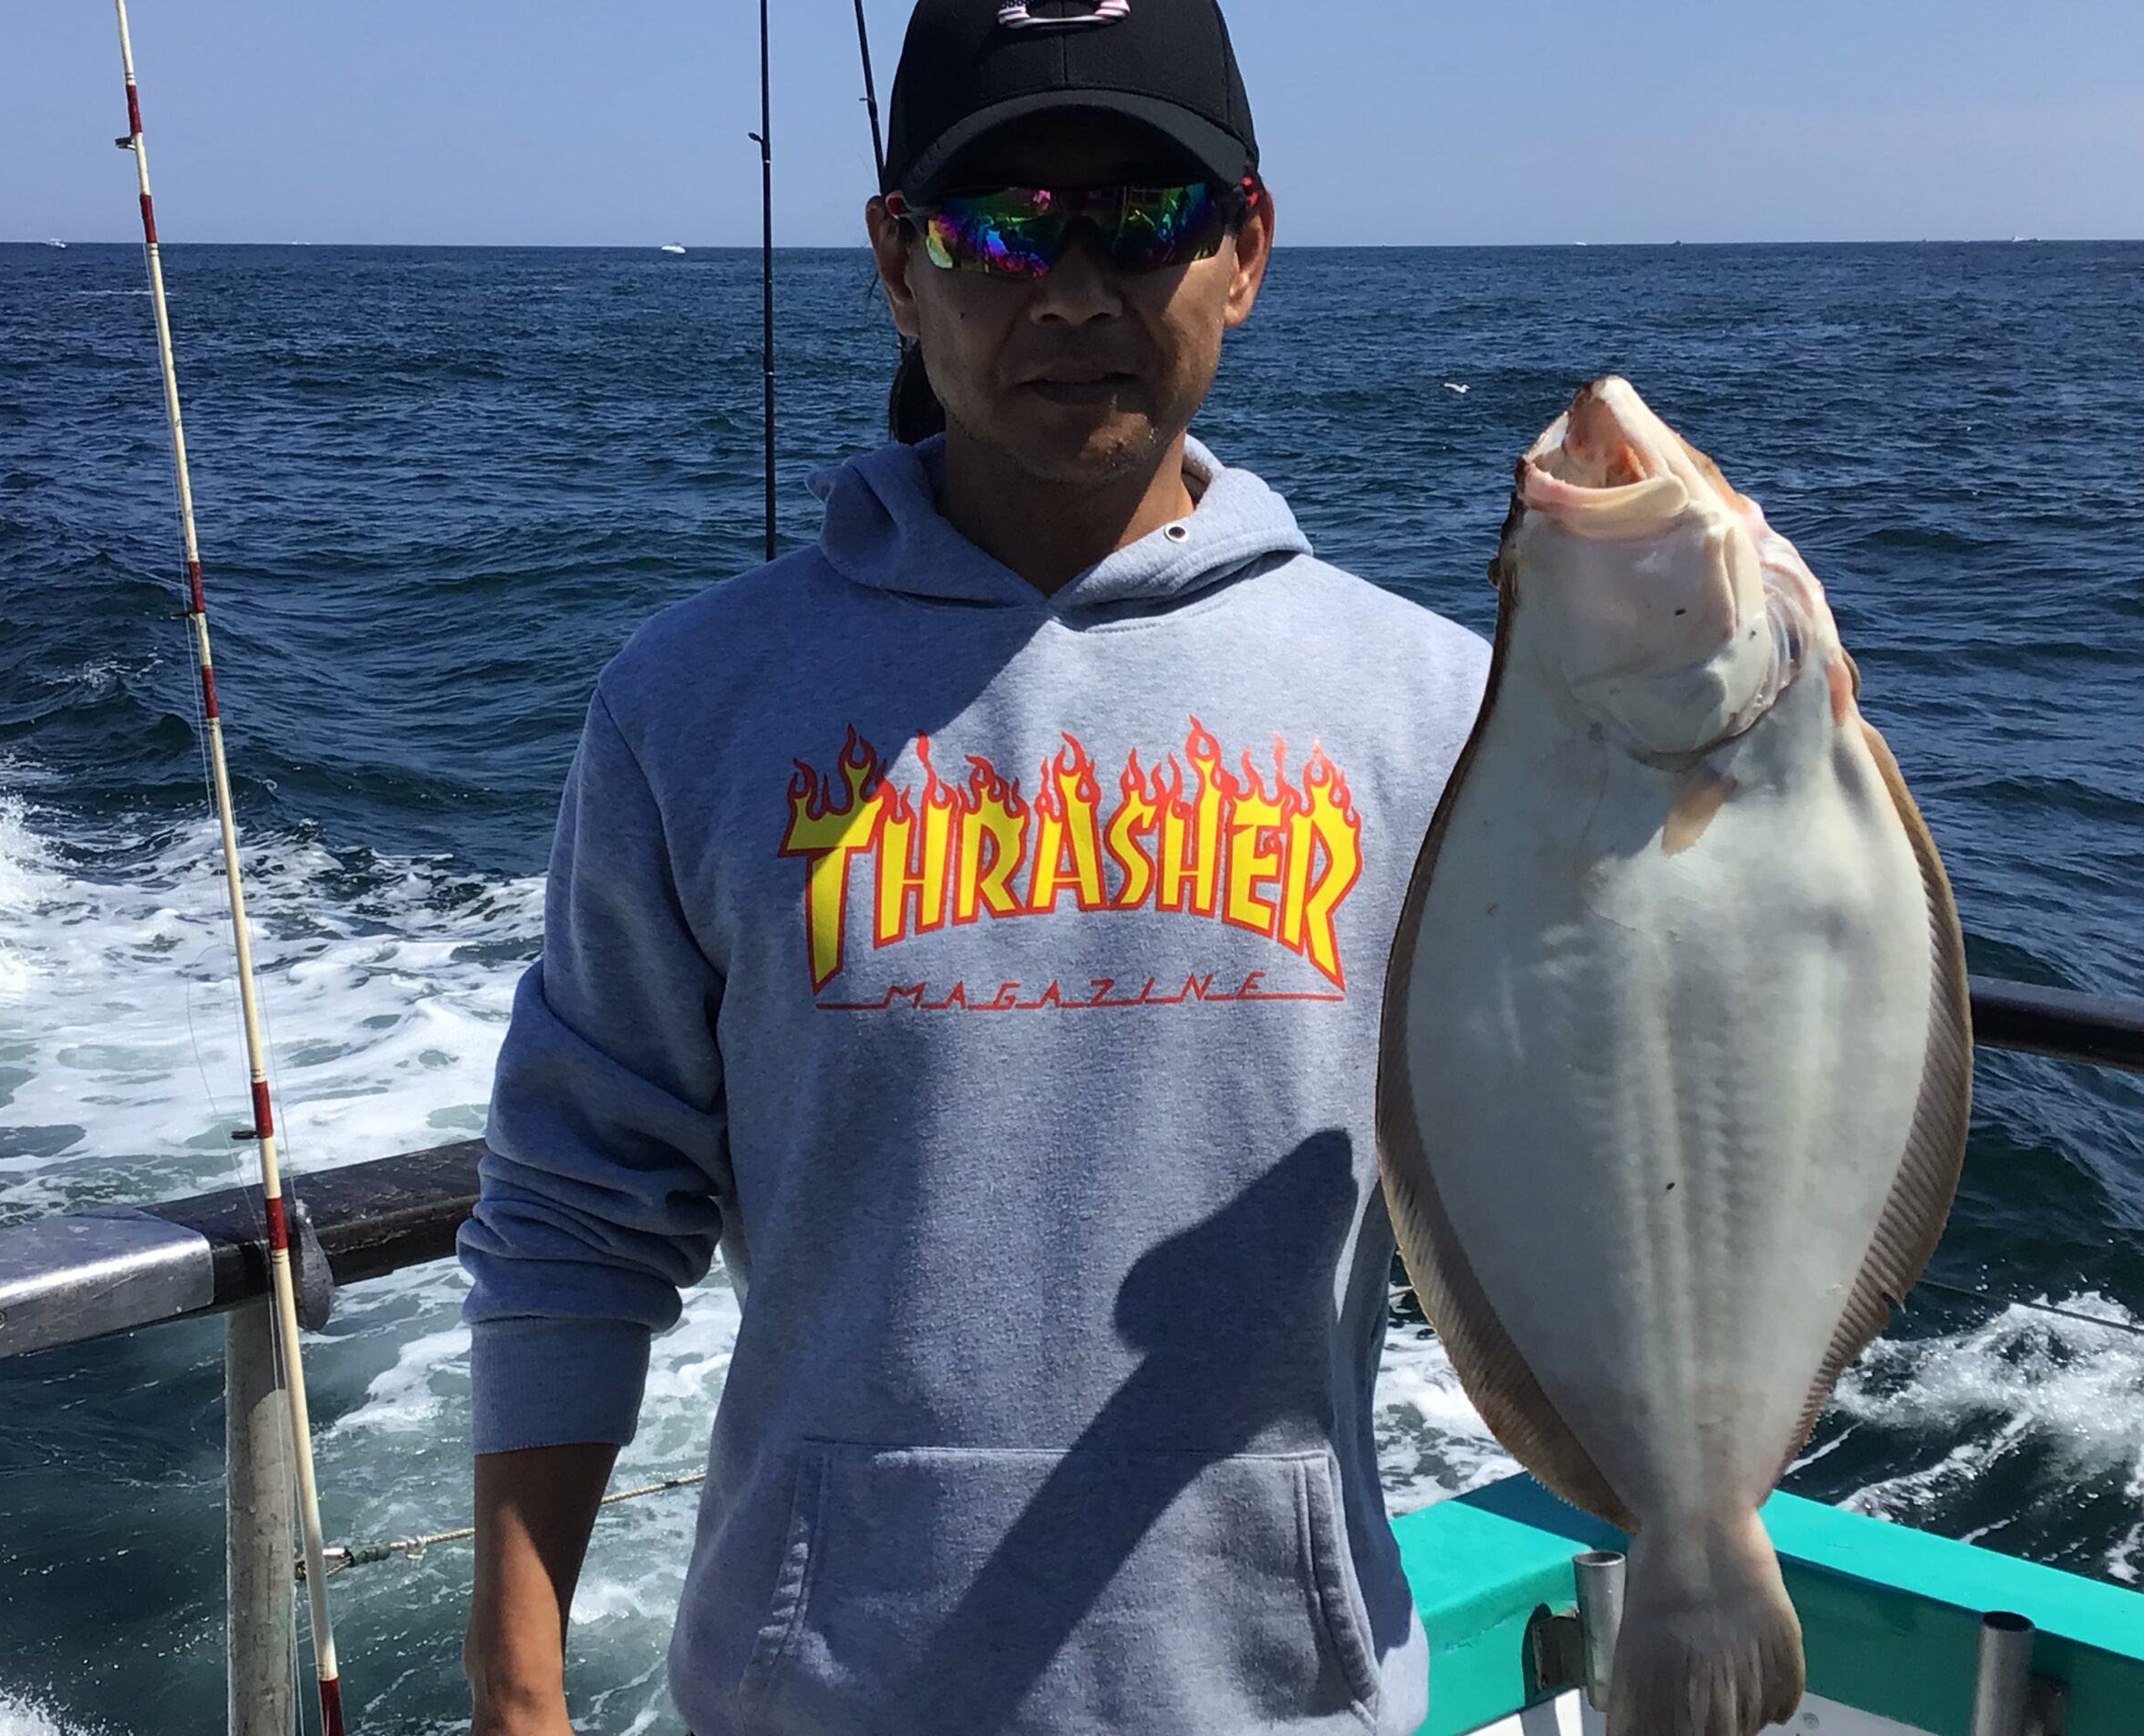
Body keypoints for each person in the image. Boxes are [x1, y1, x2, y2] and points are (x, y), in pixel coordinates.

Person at [458, 3, 1489, 1731]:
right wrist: (517, 1685)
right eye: (1001, 226)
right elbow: (576, 1207)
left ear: (1243, 248)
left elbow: (1595, 1167)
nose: (1072, 291)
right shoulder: (689, 703)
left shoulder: (1443, 711)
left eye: (1141, 220)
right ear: (895, 263)